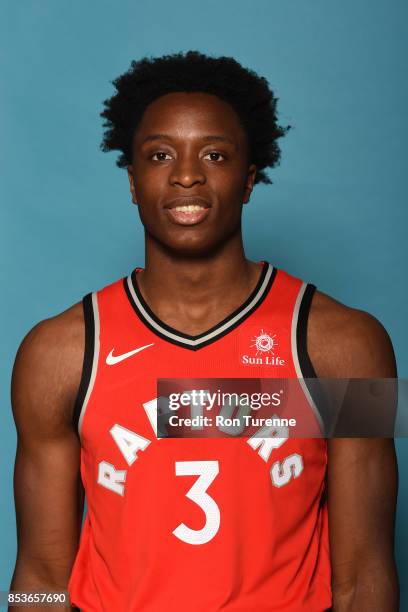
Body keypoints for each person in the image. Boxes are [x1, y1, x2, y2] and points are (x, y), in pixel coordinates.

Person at [9, 51, 398, 611]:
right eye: (160, 155)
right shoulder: (57, 353)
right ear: (133, 181)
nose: (187, 174)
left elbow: (365, 575)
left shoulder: (348, 345)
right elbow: (41, 574)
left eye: (213, 154)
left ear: (248, 178)